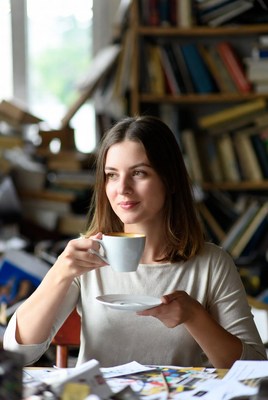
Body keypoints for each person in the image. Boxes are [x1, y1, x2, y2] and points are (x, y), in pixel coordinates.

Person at [3, 115, 267, 368]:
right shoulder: (84, 256)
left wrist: (194, 317)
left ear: (171, 180)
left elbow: (254, 368)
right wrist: (59, 273)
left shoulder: (211, 264)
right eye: (112, 175)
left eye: (139, 173)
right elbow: (18, 354)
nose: (122, 188)